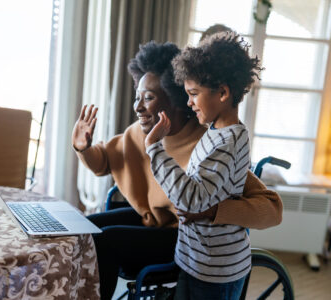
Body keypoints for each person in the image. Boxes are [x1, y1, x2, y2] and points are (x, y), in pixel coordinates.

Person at [72, 41, 282, 300]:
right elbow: (104, 161)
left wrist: (216, 210)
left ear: (177, 100)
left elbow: (271, 209)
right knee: (87, 229)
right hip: (151, 221)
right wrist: (84, 148)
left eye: (148, 98)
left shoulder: (206, 143)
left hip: (180, 234)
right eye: (138, 97)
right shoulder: (139, 133)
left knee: (106, 241)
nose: (137, 107)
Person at [145, 32, 262, 300]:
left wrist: (154, 148)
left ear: (222, 93)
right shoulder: (215, 132)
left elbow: (192, 199)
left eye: (194, 94)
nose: (188, 102)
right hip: (195, 260)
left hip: (215, 270)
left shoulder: (229, 141)